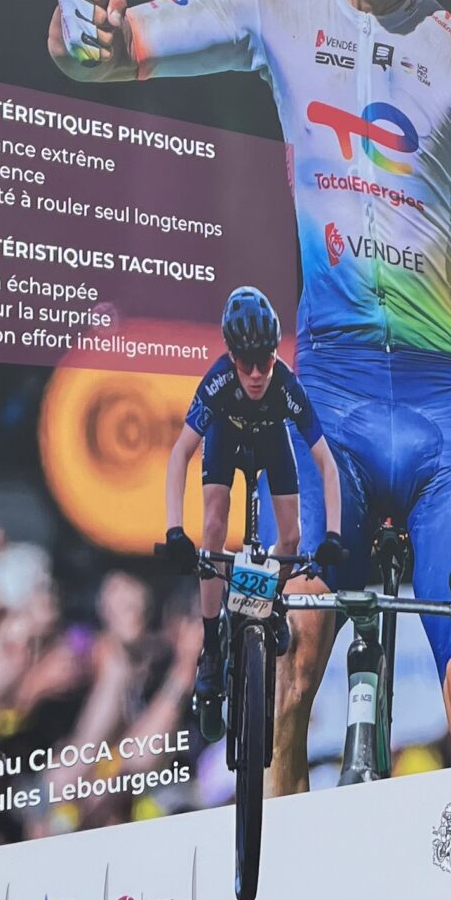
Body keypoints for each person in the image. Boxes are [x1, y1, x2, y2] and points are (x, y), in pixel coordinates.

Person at [49, 0, 451, 781]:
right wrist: (76, 27)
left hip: (443, 415)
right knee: (285, 688)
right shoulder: (275, 3)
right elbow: (102, 51)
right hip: (330, 401)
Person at [161, 287, 345, 715]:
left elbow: (328, 465)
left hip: (269, 442)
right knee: (212, 527)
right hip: (226, 441)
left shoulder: (286, 384)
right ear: (231, 356)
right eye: (247, 362)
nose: (258, 373)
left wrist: (333, 534)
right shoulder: (219, 381)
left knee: (292, 538)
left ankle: (271, 604)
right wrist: (174, 530)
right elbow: (179, 455)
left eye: (266, 359)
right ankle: (211, 644)